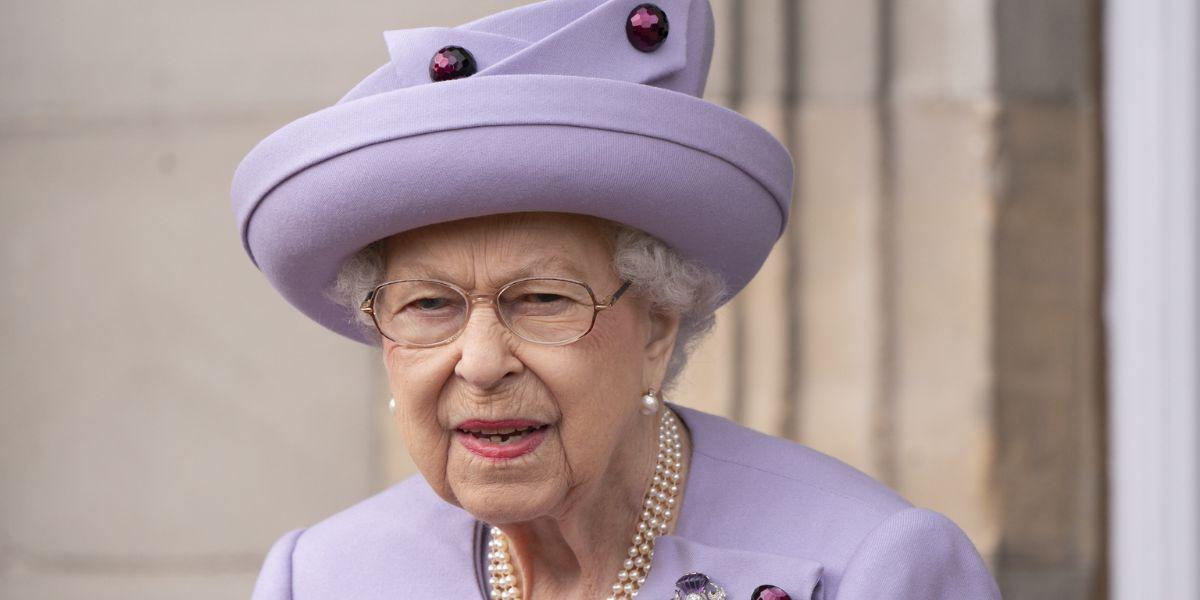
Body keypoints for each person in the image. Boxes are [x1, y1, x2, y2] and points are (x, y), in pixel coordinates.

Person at [230, 1, 1002, 598]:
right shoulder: (325, 576)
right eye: (428, 306)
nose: (482, 362)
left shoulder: (870, 567)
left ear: (658, 327)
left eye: (540, 299)